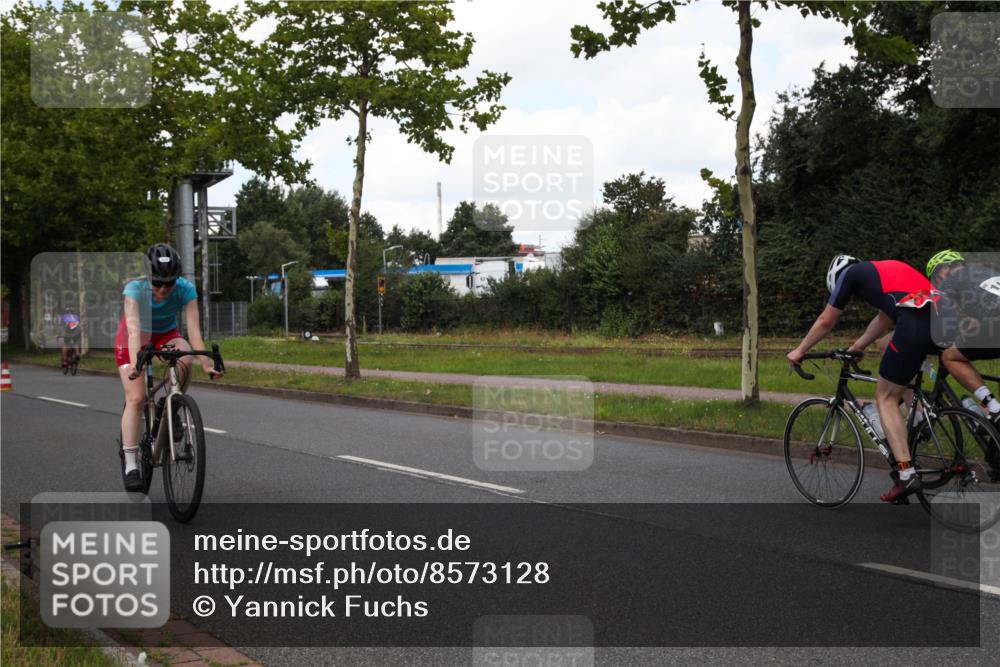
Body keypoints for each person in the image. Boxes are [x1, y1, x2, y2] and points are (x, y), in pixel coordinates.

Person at [788, 255, 941, 502]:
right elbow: (883, 319)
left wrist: (800, 350)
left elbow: (826, 320)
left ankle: (906, 473)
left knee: (885, 398)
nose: (851, 297)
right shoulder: (885, 270)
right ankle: (921, 415)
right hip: (943, 319)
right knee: (885, 346)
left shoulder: (851, 275)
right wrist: (857, 346)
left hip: (914, 322)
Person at [116, 243, 222, 492]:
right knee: (137, 397)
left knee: (185, 356)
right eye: (157, 284)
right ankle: (131, 464)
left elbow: (194, 333)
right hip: (134, 338)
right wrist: (136, 364)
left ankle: (170, 405)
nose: (163, 289)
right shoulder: (134, 289)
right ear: (147, 278)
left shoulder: (186, 290)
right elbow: (132, 331)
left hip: (165, 335)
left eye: (169, 283)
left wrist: (206, 364)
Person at [926, 250, 1000, 425]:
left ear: (943, 270)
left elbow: (942, 314)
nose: (937, 284)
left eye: (935, 279)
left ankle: (992, 407)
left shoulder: (951, 280)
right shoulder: (987, 272)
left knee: (950, 357)